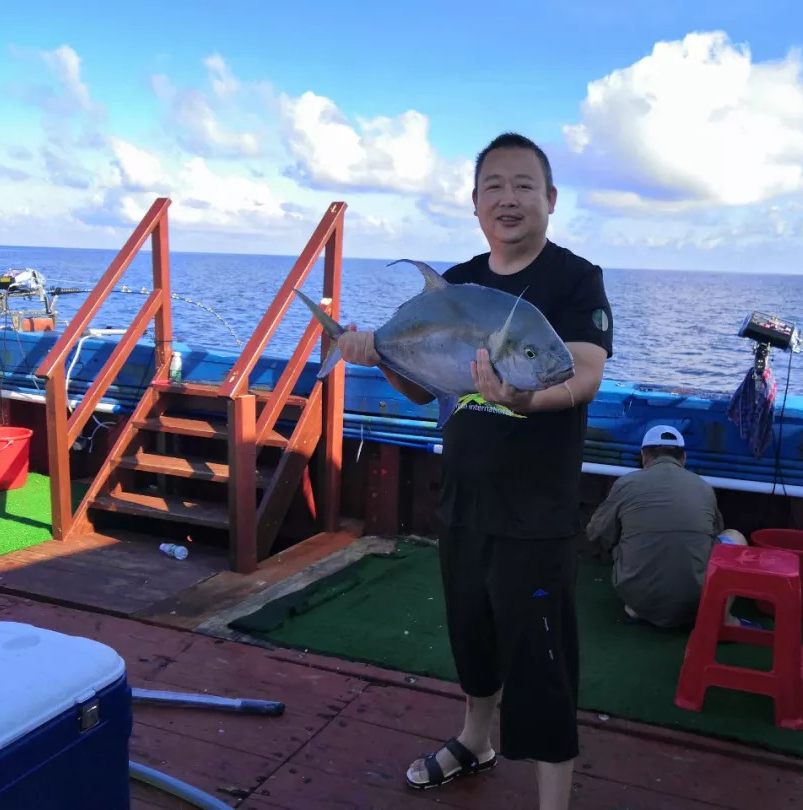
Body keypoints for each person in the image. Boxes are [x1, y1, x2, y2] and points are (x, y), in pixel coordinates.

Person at [331, 132, 613, 810]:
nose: (508, 198)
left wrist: (525, 398)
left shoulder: (576, 280)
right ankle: (474, 740)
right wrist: (374, 355)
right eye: (494, 186)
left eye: (523, 185)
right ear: (476, 202)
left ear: (549, 199)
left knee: (544, 667)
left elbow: (584, 373)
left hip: (536, 514)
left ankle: (553, 802)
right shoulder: (456, 285)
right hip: (463, 500)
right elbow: (424, 388)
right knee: (473, 637)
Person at [585, 424, 748, 629]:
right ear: (683, 458)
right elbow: (714, 537)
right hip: (698, 600)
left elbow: (595, 532)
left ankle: (637, 608)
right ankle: (723, 618)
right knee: (734, 536)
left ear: (644, 456)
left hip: (637, 597)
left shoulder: (626, 483)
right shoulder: (703, 486)